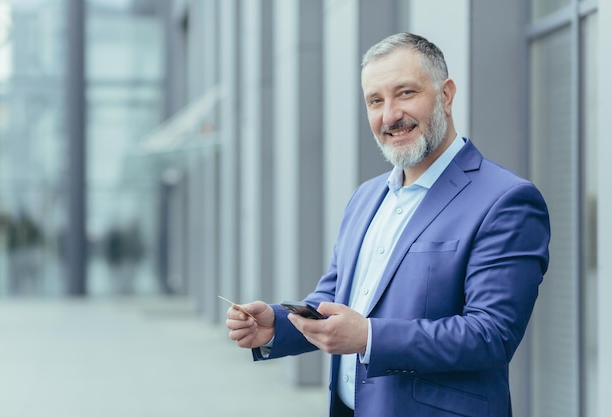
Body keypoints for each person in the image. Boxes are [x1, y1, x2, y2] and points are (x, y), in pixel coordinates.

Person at [224, 32, 550, 417]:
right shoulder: (366, 197)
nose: (390, 115)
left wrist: (370, 337)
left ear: (446, 95)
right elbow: (335, 299)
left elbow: (490, 335)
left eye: (406, 93)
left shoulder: (506, 200)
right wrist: (278, 326)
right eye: (375, 101)